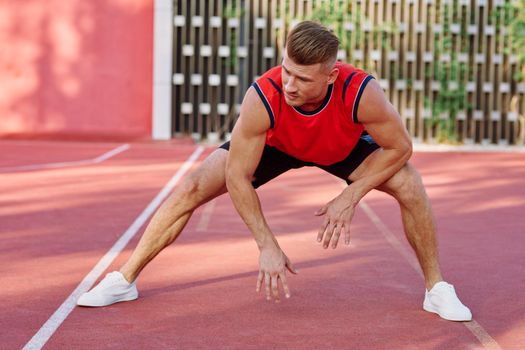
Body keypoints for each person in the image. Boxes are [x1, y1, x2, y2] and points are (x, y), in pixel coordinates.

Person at [77, 21, 471, 322]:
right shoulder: (263, 97)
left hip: (340, 148)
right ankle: (124, 279)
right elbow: (237, 177)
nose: (290, 84)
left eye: (303, 78)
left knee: (410, 183)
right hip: (277, 145)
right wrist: (266, 243)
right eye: (287, 71)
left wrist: (351, 195)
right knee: (193, 184)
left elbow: (401, 147)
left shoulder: (361, 92)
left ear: (331, 76)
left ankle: (436, 288)